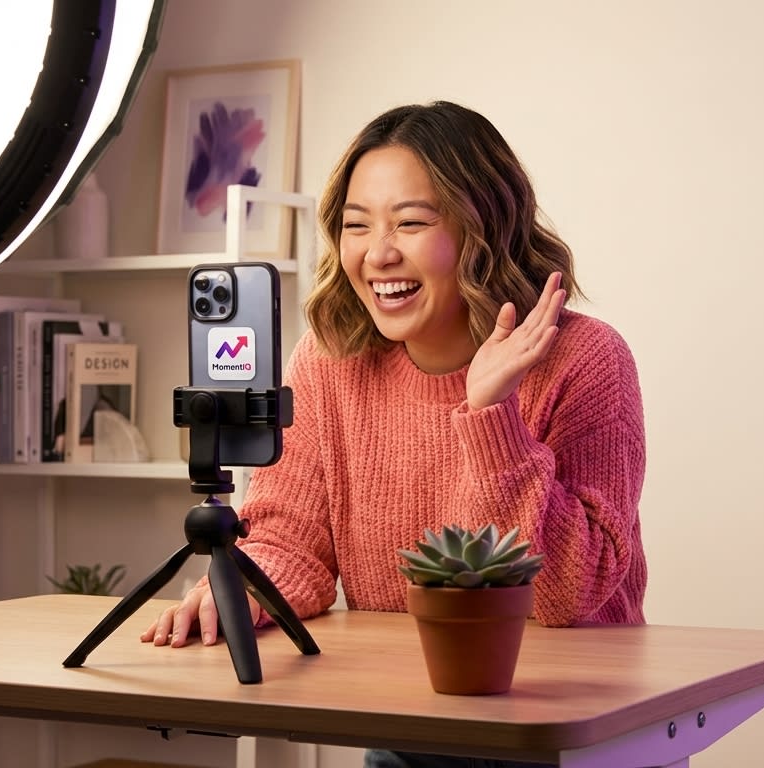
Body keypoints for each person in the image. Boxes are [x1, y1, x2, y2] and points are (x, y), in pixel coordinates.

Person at [141, 100, 648, 768]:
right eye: (356, 226)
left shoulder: (583, 360)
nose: (378, 254)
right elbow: (292, 540)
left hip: (577, 736)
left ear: (482, 229)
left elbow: (565, 597)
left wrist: (492, 413)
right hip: (415, 725)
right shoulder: (331, 361)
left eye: (411, 223)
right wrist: (243, 589)